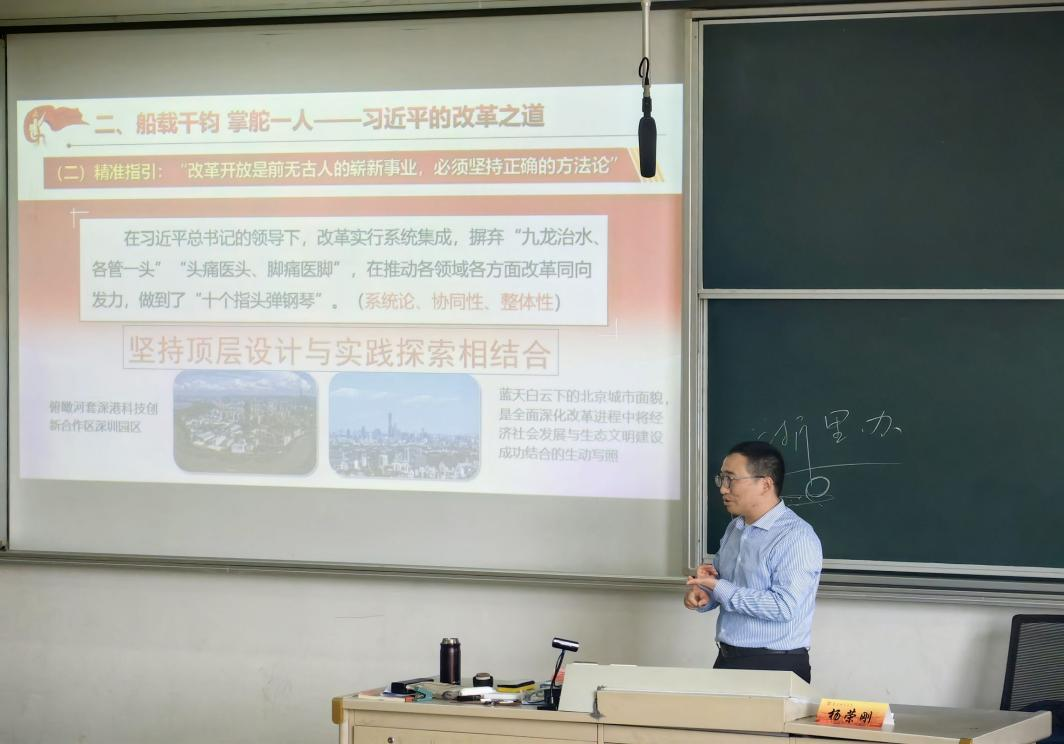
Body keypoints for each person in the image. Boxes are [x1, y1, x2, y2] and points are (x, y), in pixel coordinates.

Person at [684, 440, 822, 683]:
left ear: (765, 484)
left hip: (776, 666)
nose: (723, 489)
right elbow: (725, 587)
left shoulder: (795, 537)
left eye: (731, 479)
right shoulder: (735, 528)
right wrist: (705, 594)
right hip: (728, 658)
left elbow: (784, 607)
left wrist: (719, 587)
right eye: (721, 479)